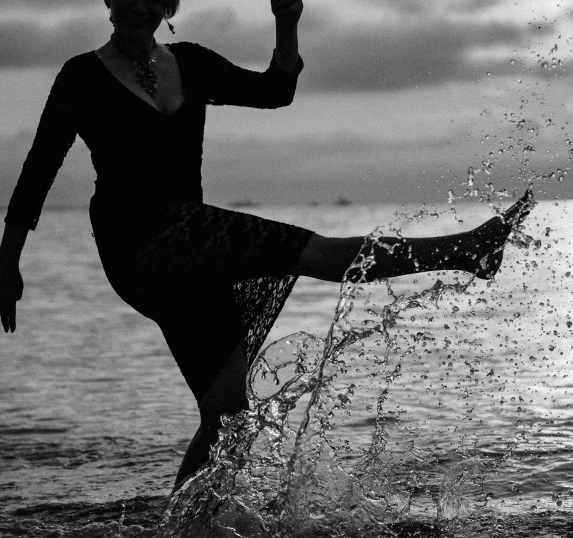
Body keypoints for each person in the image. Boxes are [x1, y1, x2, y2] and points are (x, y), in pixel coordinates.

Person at [0, 0, 534, 492]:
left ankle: (181, 525)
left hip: (197, 247)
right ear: (109, 0)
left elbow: (276, 91)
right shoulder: (80, 76)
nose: (139, 5)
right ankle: (466, 249)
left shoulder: (190, 62)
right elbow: (38, 169)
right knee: (315, 252)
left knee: (226, 414)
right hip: (137, 243)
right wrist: (7, 261)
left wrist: (286, 19)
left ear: (168, 4)